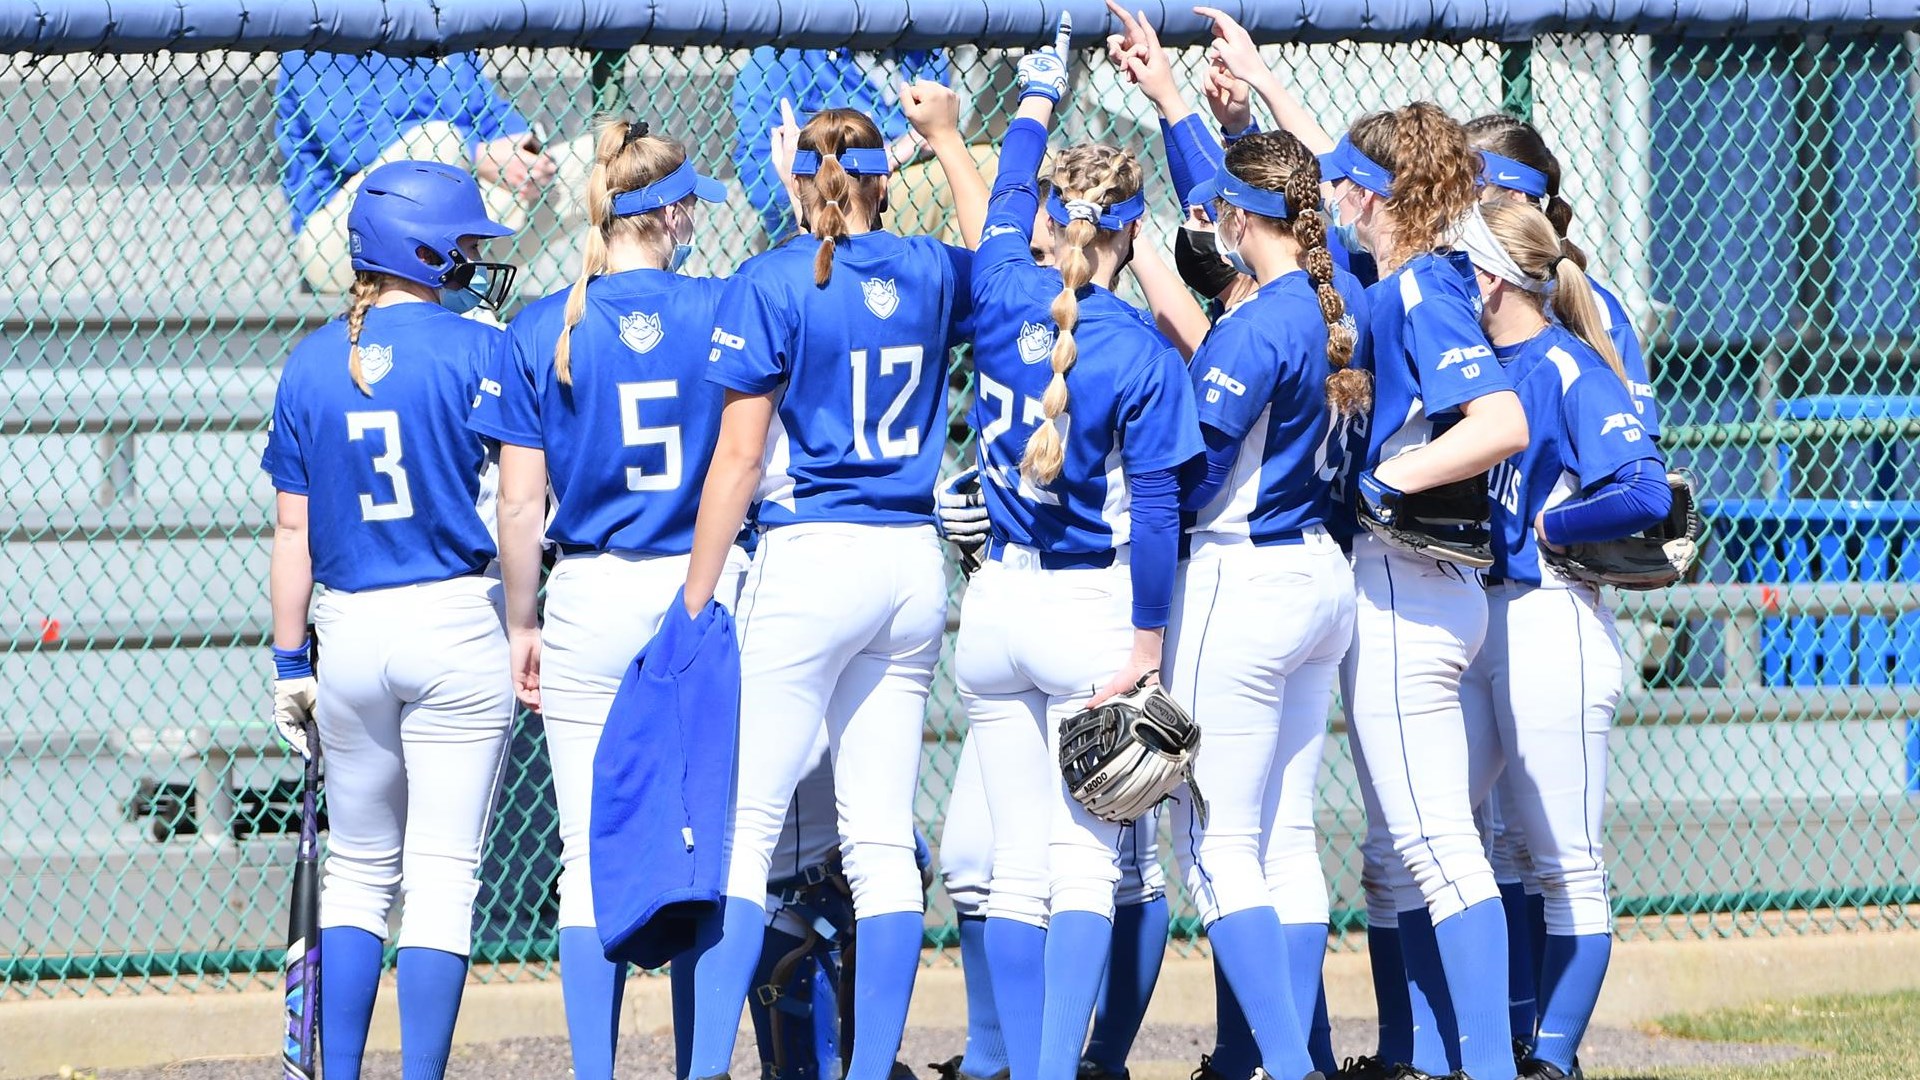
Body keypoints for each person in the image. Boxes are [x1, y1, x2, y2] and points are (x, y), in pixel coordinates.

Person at [677, 74, 981, 1076]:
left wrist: (696, 591)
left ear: (802, 183)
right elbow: (1001, 261)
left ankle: (705, 1064)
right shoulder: (935, 268)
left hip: (814, 554)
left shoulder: (772, 276)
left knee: (744, 836)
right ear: (884, 181)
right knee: (882, 840)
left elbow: (735, 460)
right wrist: (945, 149)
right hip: (907, 558)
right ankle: (870, 1065)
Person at [944, 31, 1202, 1080]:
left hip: (996, 606)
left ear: (1054, 221)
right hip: (1087, 607)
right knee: (1085, 866)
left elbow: (1006, 185)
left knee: (1011, 873)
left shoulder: (1007, 284)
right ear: (1133, 231)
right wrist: (1147, 640)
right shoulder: (1137, 348)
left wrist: (1040, 90)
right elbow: (1157, 507)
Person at [466, 118, 738, 1080]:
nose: (696, 218)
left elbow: (518, 501)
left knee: (589, 853)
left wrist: (521, 620)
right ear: (663, 214)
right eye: (688, 205)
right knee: (704, 845)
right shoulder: (718, 305)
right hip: (697, 586)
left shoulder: (546, 322)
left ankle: (595, 1069)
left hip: (584, 590)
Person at [263, 160, 518, 1080]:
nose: (476, 257)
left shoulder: (310, 359)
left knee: (360, 874)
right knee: (443, 877)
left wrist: (290, 660)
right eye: (463, 243)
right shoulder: (477, 348)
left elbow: (292, 531)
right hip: (457, 620)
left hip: (350, 634)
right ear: (422, 247)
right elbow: (526, 501)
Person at [1317, 100, 1533, 1080]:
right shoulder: (1404, 276)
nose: (1330, 194)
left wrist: (1388, 478)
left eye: (1342, 180)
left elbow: (1500, 421)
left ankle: (1484, 1067)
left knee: (1439, 852)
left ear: (1370, 193)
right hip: (1421, 587)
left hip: (1411, 587)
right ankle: (1427, 1062)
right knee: (1402, 858)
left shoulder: (1425, 288)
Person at [1459, 201, 1669, 1080]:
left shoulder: (1566, 363)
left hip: (1554, 617)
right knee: (1494, 846)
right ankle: (1514, 1041)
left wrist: (1556, 528)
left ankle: (1551, 1057)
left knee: (1565, 861)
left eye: (1465, 264)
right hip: (1485, 618)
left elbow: (1647, 492)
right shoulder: (1476, 362)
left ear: (1497, 277)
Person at [277, 49, 592, 296]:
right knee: (439, 141)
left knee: (597, 156)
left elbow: (487, 109)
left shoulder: (436, 17)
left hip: (461, 237)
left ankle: (624, 296)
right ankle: (458, 288)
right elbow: (354, 142)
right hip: (348, 245)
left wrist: (521, 149)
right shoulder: (323, 24)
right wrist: (477, 154)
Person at [1465, 115, 1660, 439]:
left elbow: (1635, 439)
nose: (1455, 203)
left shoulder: (1586, 300)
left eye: (1472, 187)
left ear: (1515, 197)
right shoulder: (1464, 283)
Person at [733, 46, 995, 245]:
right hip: (838, 210)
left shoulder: (917, 41)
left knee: (992, 161)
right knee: (987, 165)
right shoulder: (783, 54)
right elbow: (764, 188)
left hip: (906, 187)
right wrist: (879, 159)